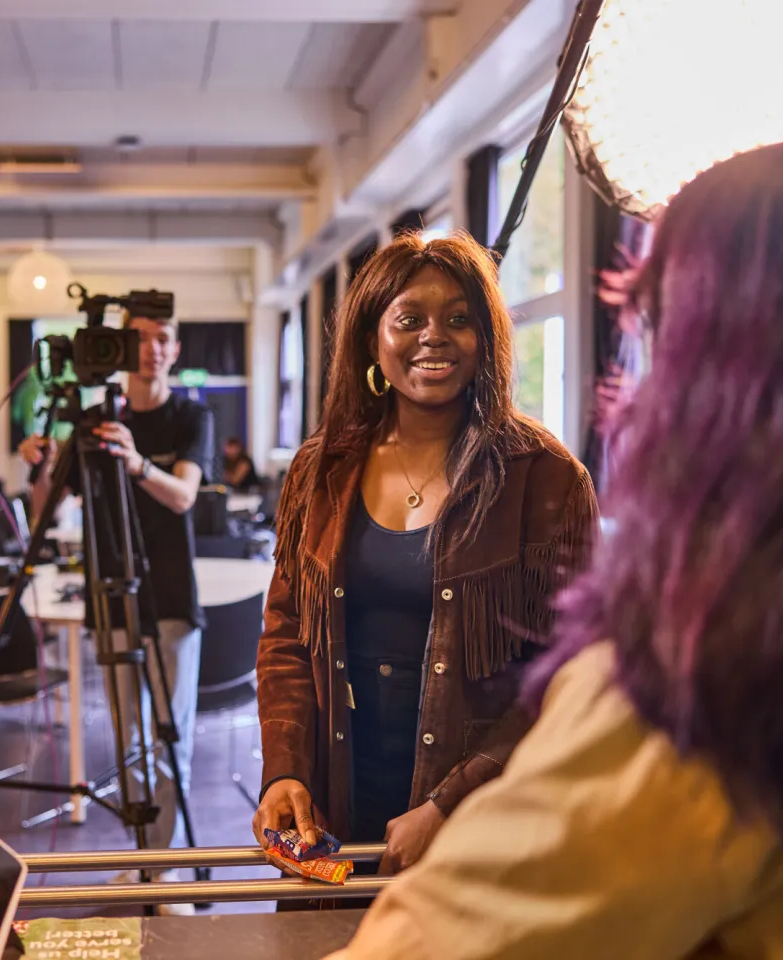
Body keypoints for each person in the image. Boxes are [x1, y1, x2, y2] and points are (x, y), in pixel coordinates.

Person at [329, 137, 783, 959]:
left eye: (656, 323)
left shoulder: (740, 674)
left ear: (724, 367)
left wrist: (454, 801)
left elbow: (440, 940)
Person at [254, 233, 597, 875]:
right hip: (336, 799)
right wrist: (284, 772)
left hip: (485, 813)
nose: (433, 336)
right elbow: (287, 637)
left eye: (459, 319)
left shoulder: (545, 478)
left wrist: (447, 806)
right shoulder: (321, 470)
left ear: (485, 339)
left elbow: (570, 672)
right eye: (410, 318)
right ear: (372, 339)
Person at [19, 310, 214, 875]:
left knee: (166, 741)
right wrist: (46, 466)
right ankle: (146, 858)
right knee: (130, 740)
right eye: (141, 339)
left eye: (163, 339)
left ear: (175, 350)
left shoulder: (190, 415)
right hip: (112, 598)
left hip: (171, 597)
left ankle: (167, 868)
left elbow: (183, 496)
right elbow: (45, 516)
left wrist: (135, 463)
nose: (152, 349)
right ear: (123, 349)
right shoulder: (95, 423)